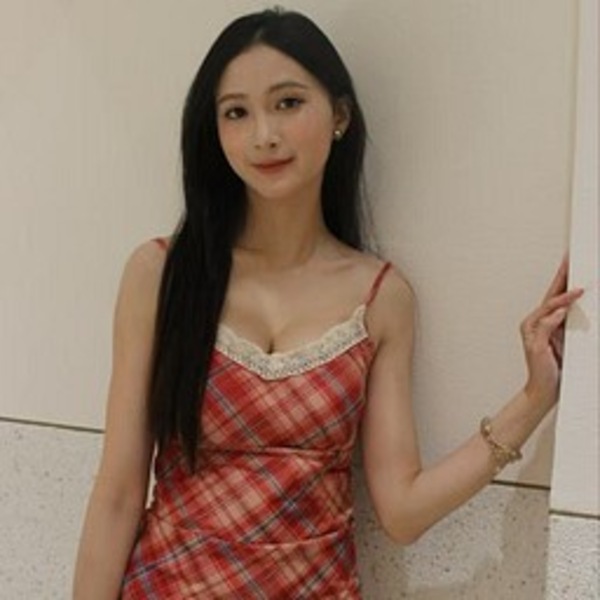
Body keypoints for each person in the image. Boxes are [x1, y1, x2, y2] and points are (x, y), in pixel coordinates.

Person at [72, 7, 583, 599]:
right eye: (236, 112)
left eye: (288, 103)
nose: (264, 134)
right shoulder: (161, 274)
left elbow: (402, 511)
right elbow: (118, 493)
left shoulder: (380, 298)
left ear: (339, 115)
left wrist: (534, 398)